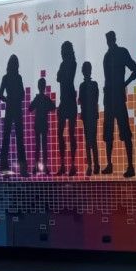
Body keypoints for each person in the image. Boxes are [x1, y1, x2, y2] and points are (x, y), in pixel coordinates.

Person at [101, 30, 136, 177]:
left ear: (114, 39)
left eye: (110, 39)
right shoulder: (107, 56)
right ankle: (110, 164)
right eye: (108, 39)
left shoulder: (121, 52)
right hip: (109, 99)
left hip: (117, 97)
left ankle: (131, 166)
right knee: (108, 133)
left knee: (124, 132)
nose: (109, 41)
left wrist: (125, 83)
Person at [0, 54, 28, 177]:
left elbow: (0, 94)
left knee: (6, 138)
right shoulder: (18, 77)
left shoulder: (6, 77)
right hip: (16, 109)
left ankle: (4, 168)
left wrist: (8, 99)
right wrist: (15, 99)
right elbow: (22, 93)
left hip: (10, 108)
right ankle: (23, 169)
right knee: (19, 139)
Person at [55, 41, 78, 176]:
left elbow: (64, 78)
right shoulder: (64, 64)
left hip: (69, 102)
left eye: (64, 50)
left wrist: (61, 74)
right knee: (61, 134)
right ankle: (64, 165)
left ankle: (72, 165)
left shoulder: (71, 63)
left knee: (70, 134)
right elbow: (59, 78)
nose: (62, 53)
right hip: (64, 102)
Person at [29, 77, 55, 175]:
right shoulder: (45, 98)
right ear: (44, 87)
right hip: (44, 124)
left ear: (38, 87)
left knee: (38, 147)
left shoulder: (38, 98)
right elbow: (53, 107)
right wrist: (46, 109)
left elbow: (30, 108)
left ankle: (36, 168)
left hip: (38, 124)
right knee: (43, 147)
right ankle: (45, 167)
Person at [79, 61, 100, 176]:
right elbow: (96, 99)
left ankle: (91, 166)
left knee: (89, 141)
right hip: (91, 115)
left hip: (88, 116)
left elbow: (80, 100)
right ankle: (95, 165)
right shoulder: (94, 84)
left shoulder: (83, 86)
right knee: (93, 141)